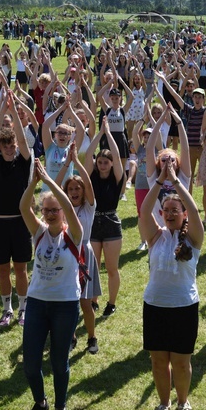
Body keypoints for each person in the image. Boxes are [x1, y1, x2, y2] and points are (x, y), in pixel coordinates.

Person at [19, 159, 83, 410]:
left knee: (59, 361)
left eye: (54, 210)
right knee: (31, 363)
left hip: (65, 305)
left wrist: (50, 182)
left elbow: (68, 206)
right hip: (37, 302)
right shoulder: (39, 233)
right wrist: (35, 181)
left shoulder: (75, 235)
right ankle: (41, 402)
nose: (50, 214)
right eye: (46, 210)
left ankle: (60, 407)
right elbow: (23, 208)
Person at [139, 159, 204, 410]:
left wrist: (176, 181)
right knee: (157, 362)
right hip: (155, 305)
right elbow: (145, 212)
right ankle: (163, 404)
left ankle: (183, 402)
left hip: (184, 308)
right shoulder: (155, 236)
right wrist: (158, 181)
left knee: (180, 362)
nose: (169, 213)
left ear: (183, 212)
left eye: (175, 209)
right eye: (165, 209)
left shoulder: (193, 238)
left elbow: (196, 211)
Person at [0, 93, 33, 327]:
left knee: (21, 269)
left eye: (12, 146)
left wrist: (13, 110)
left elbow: (24, 141)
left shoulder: (23, 160)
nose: (9, 150)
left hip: (20, 222)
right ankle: (7, 310)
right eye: (6, 146)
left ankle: (24, 309)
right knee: (3, 270)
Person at [56, 143, 101, 353]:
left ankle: (91, 337)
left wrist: (77, 163)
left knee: (84, 302)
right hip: (65, 254)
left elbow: (91, 186)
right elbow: (55, 187)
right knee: (67, 301)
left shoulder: (88, 208)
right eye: (70, 189)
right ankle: (71, 336)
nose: (74, 192)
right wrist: (66, 165)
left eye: (77, 188)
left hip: (84, 254)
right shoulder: (62, 208)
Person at [84, 119, 124, 316]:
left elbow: (116, 156)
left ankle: (111, 302)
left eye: (105, 162)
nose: (102, 165)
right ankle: (93, 300)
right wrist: (99, 134)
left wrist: (108, 134)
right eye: (100, 162)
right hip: (92, 223)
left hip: (110, 223)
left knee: (111, 268)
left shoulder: (117, 178)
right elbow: (88, 155)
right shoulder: (91, 175)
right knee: (92, 267)